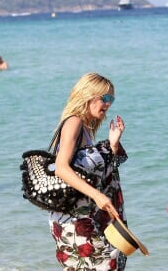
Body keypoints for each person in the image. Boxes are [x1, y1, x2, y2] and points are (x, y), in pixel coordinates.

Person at [49, 73, 128, 270]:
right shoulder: (73, 122)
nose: (108, 104)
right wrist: (97, 195)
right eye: (105, 98)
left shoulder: (85, 130)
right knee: (104, 265)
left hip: (86, 216)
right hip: (74, 218)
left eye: (112, 99)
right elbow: (61, 168)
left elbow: (95, 172)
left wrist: (113, 144)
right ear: (88, 96)